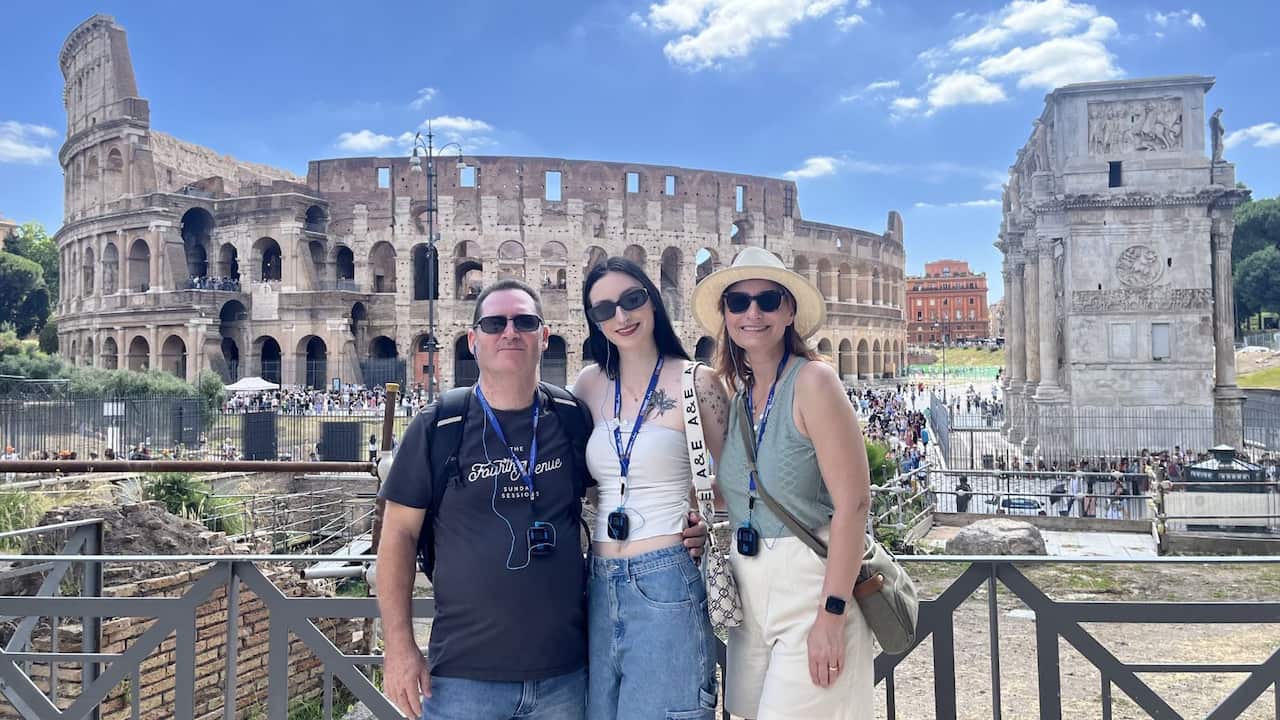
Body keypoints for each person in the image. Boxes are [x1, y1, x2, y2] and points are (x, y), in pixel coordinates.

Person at [376, 279, 707, 720]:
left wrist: (690, 518)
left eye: (524, 321)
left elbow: (625, 478)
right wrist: (399, 645)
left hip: (564, 677)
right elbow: (397, 535)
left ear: (544, 335)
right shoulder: (439, 425)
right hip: (461, 677)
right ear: (473, 340)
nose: (509, 332)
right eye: (494, 323)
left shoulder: (570, 418)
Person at [692, 247, 874, 719]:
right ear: (725, 314)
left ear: (789, 310)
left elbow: (854, 503)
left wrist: (831, 615)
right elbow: (744, 492)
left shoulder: (814, 381)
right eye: (738, 302)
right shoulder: (740, 399)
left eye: (768, 300)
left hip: (810, 589)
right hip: (747, 598)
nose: (752, 312)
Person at [574, 257, 729, 720]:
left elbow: (739, 483)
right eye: (604, 310)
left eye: (632, 300)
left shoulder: (697, 382)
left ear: (653, 301)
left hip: (668, 576)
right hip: (598, 578)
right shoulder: (588, 385)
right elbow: (581, 483)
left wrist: (709, 521)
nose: (620, 317)